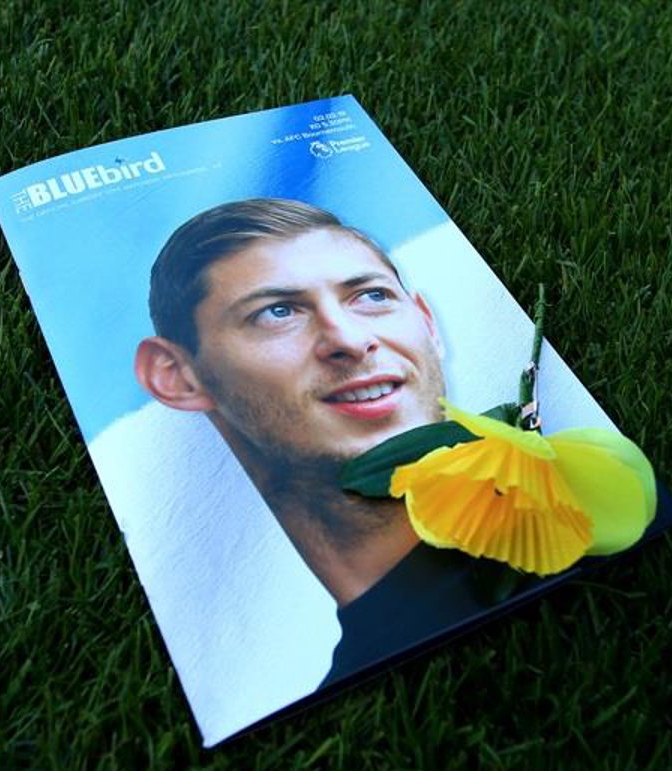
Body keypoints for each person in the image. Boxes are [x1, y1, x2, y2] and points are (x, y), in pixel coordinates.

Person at [134, 198, 514, 685]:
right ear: (177, 376)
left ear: (427, 323)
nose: (350, 340)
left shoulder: (580, 515)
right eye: (277, 312)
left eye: (372, 296)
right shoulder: (351, 685)